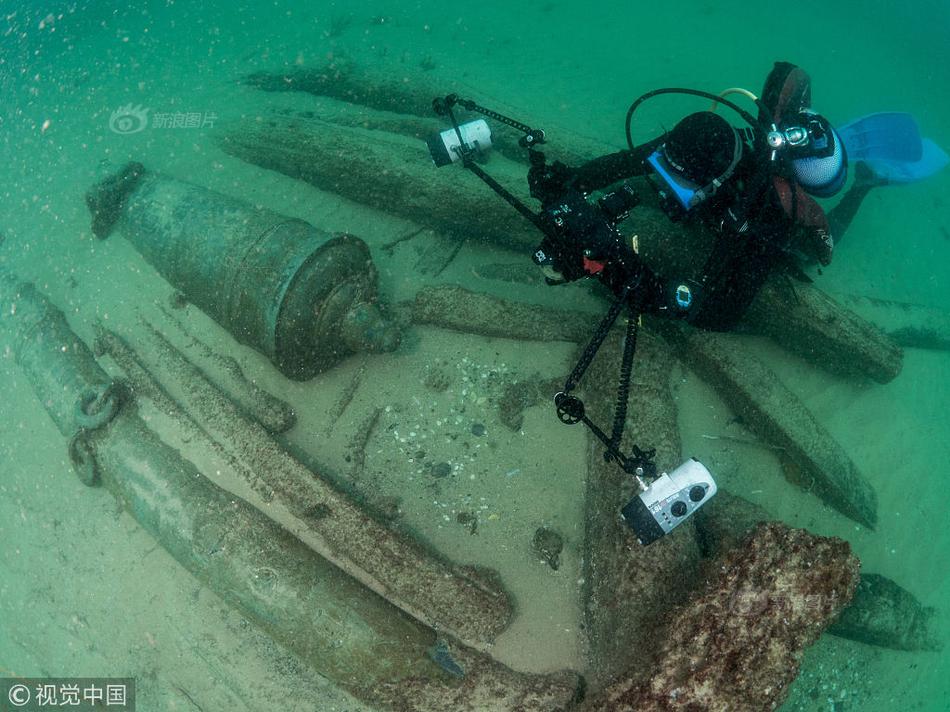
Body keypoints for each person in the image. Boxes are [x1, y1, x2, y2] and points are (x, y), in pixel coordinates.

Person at [527, 61, 894, 330]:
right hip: (732, 182)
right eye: (664, 171)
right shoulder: (691, 145)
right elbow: (622, 164)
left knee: (807, 256)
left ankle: (863, 185)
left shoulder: (766, 217)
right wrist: (569, 181)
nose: (667, 188)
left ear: (716, 184)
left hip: (773, 222)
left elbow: (725, 314)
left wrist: (645, 287)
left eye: (681, 187)